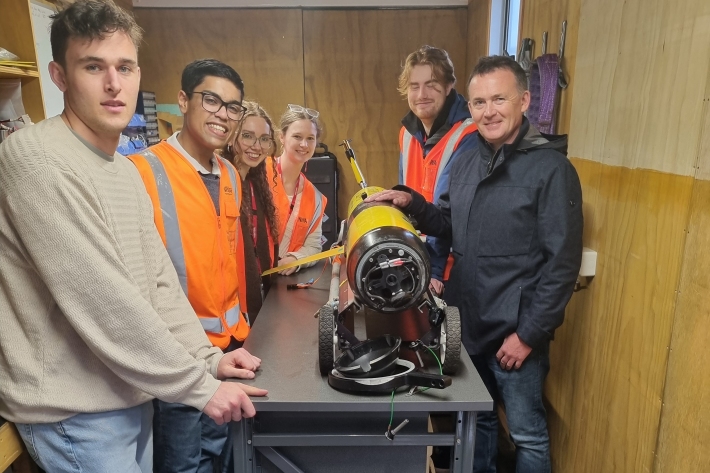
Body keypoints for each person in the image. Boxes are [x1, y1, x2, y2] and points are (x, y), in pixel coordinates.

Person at [0, 2, 266, 472]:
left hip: (129, 397)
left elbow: (158, 282)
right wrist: (201, 387)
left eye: (124, 67)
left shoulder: (121, 169)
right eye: (93, 67)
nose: (112, 84)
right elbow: (104, 300)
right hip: (76, 416)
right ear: (59, 75)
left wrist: (207, 359)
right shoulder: (38, 159)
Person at [368, 55, 583, 473]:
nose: (489, 111)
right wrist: (413, 203)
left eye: (499, 99)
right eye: (480, 102)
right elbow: (447, 224)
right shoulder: (466, 159)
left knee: (527, 435)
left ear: (523, 100)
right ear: (470, 107)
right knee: (477, 424)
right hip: (467, 323)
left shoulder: (553, 169)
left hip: (516, 332)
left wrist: (528, 334)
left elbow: (562, 264)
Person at [127, 59, 254, 473]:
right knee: (184, 464)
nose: (223, 114)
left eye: (233, 107)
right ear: (183, 100)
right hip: (178, 359)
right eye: (211, 99)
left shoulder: (231, 175)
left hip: (229, 352)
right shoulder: (143, 171)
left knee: (224, 459)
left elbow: (232, 264)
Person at [397, 45, 478, 296]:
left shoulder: (468, 135)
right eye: (414, 86)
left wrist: (434, 271)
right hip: (417, 260)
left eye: (431, 84)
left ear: (449, 86)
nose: (422, 94)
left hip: (450, 271)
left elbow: (449, 215)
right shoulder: (407, 134)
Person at [223, 101, 280, 325]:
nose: (256, 146)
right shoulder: (219, 181)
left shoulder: (257, 183)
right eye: (247, 136)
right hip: (230, 304)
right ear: (232, 137)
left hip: (259, 293)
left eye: (264, 139)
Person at [267, 104, 327, 276]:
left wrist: (296, 258)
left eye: (310, 138)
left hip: (282, 283)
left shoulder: (315, 197)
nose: (304, 144)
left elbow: (314, 246)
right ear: (282, 137)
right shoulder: (258, 175)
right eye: (297, 136)